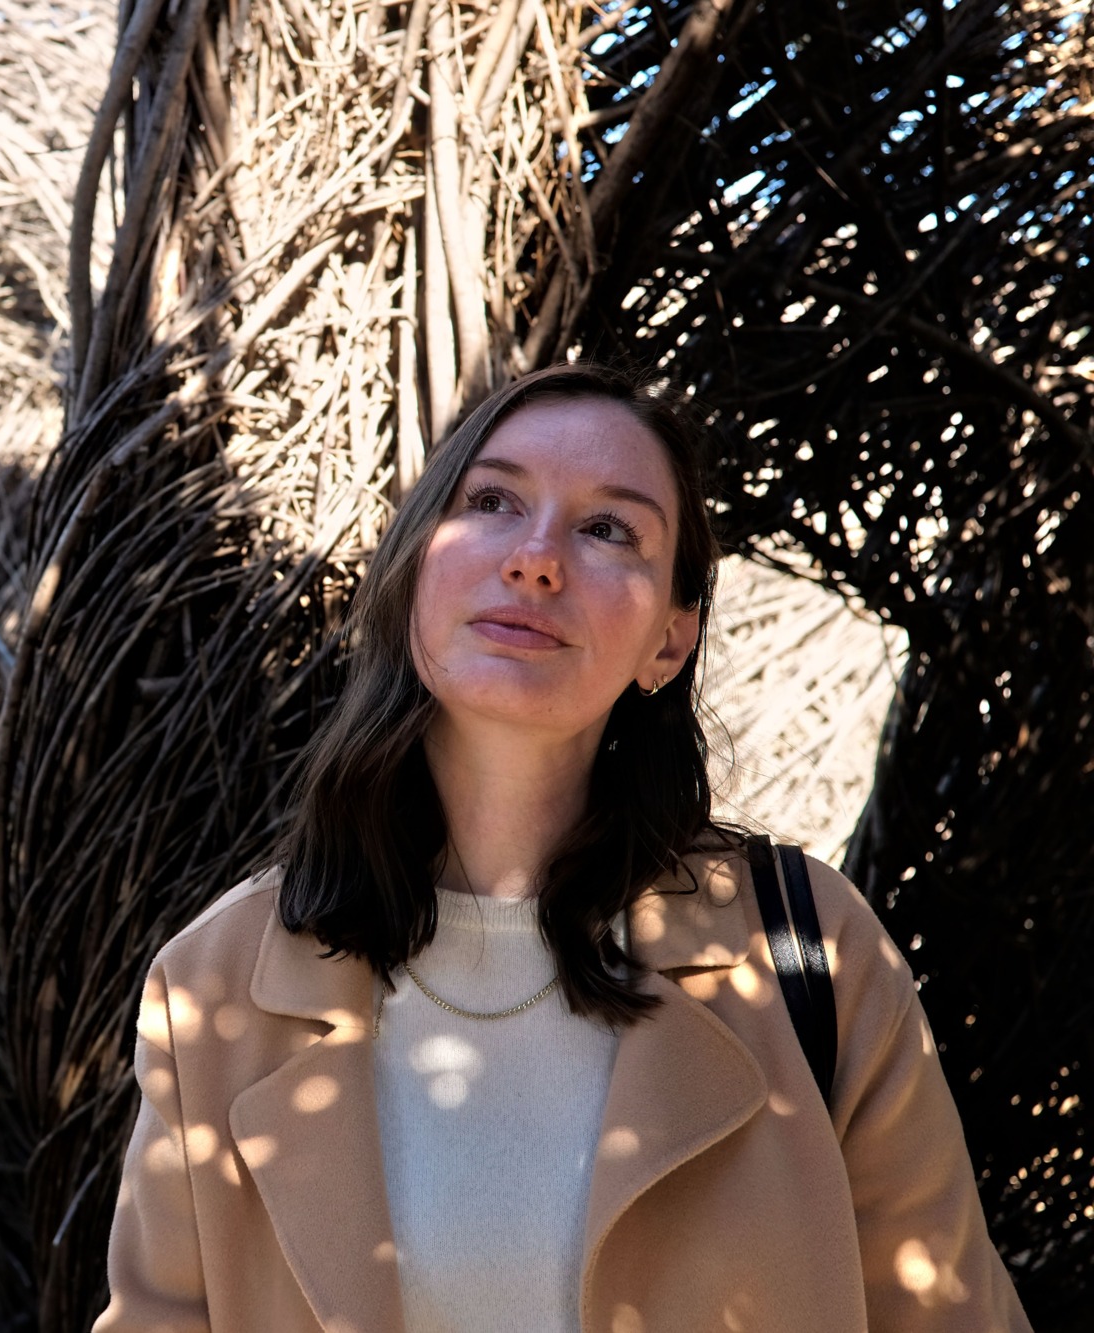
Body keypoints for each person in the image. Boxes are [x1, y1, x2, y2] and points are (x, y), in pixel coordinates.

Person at [92, 362, 1030, 1332]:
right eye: (491, 500)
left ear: (668, 641)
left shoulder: (809, 951)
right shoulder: (214, 981)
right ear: (415, 567)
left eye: (606, 529)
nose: (535, 559)